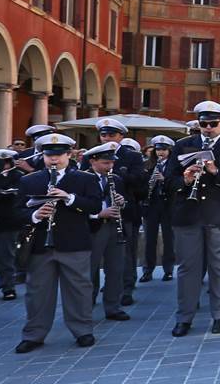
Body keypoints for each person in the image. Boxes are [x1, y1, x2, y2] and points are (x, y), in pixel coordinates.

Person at [165, 101, 220, 337]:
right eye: (203, 123)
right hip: (188, 215)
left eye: (213, 124)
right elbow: (167, 181)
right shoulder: (183, 146)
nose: (207, 128)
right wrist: (184, 179)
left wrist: (217, 172)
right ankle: (184, 317)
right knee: (187, 269)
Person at [14, 134, 103, 353]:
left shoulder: (84, 179)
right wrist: (35, 215)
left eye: (59, 155)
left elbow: (94, 206)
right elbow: (16, 212)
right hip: (41, 244)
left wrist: (69, 198)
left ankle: (83, 330)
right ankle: (34, 334)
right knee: (37, 292)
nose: (54, 160)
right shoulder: (29, 180)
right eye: (49, 155)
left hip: (74, 242)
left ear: (69, 154)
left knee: (79, 289)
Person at [81, 118, 146, 307]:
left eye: (111, 135)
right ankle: (90, 295)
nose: (107, 138)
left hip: (123, 214)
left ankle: (123, 292)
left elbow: (140, 184)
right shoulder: (90, 155)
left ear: (121, 136)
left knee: (123, 257)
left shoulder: (132, 156)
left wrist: (118, 175)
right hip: (96, 215)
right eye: (103, 135)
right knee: (92, 258)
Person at [84, 142, 131, 321]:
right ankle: (86, 306)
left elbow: (123, 202)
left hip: (113, 226)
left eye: (111, 163)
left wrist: (121, 202)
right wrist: (97, 213)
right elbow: (77, 205)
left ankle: (113, 306)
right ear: (92, 161)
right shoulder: (82, 178)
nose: (110, 167)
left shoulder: (116, 179)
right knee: (90, 269)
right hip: (93, 228)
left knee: (116, 268)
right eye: (105, 163)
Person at [0, 149, 26, 300]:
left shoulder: (18, 176)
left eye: (7, 161)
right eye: (1, 162)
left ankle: (8, 287)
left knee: (7, 256)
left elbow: (21, 193)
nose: (4, 165)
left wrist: (8, 193)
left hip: (9, 220)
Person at [140, 135, 175, 282]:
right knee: (149, 239)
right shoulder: (147, 164)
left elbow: (177, 184)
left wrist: (164, 179)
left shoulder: (174, 165)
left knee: (169, 239)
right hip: (151, 205)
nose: (161, 152)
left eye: (164, 150)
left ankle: (168, 270)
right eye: (158, 149)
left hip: (168, 205)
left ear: (169, 150)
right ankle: (148, 269)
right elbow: (141, 184)